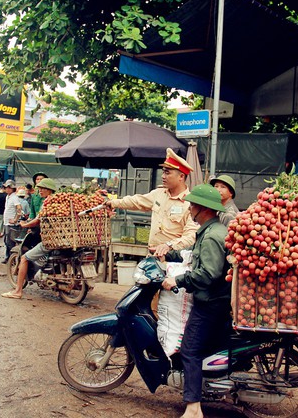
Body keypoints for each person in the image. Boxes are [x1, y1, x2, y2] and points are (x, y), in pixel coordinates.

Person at [159, 184, 232, 418]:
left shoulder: (212, 236)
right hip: (216, 300)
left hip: (210, 303)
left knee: (189, 350)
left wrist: (177, 281)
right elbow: (191, 253)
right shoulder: (211, 231)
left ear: (202, 208)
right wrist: (168, 253)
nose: (190, 209)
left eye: (192, 205)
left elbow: (208, 274)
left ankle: (193, 409)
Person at [105, 148, 197, 256]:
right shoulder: (159, 193)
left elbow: (191, 236)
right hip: (152, 256)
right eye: (163, 172)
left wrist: (169, 245)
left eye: (167, 173)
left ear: (181, 176)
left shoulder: (190, 204)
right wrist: (113, 203)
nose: (163, 176)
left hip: (172, 260)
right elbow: (137, 201)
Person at [1, 178, 57, 299]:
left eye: (42, 189)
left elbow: (37, 220)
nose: (39, 191)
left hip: (50, 241)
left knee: (24, 258)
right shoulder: (57, 202)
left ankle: (18, 291)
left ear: (48, 190)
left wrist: (25, 225)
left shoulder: (47, 203)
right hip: (59, 239)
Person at [1, 180, 23, 264]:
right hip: (7, 222)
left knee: (10, 242)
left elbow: (19, 208)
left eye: (7, 187)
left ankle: (11, 259)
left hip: (11, 224)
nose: (6, 189)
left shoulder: (14, 198)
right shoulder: (8, 197)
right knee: (6, 241)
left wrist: (15, 219)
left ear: (11, 188)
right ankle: (8, 257)